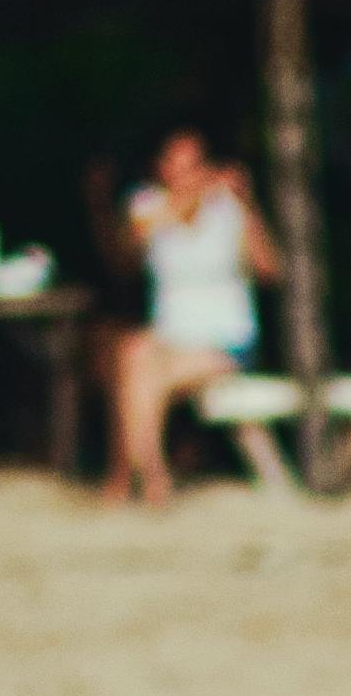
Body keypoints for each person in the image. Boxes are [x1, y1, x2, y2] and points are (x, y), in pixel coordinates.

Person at [98, 123, 279, 503]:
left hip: (225, 343)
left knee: (140, 368)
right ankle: (153, 476)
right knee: (137, 354)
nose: (184, 174)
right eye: (175, 165)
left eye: (193, 165)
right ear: (160, 167)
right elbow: (128, 251)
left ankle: (145, 480)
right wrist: (185, 201)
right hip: (169, 341)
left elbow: (269, 270)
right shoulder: (146, 205)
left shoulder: (229, 208)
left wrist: (247, 204)